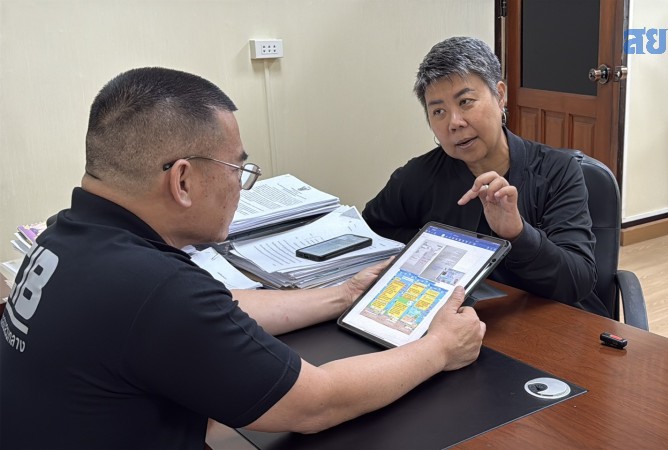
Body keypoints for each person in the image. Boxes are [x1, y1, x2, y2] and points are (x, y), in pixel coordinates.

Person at [0, 67, 485, 449]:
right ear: (182, 180)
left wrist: (343, 294)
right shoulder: (154, 289)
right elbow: (316, 404)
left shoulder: (67, 236)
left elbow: (216, 305)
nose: (241, 184)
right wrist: (441, 348)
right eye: (238, 168)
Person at [363, 36, 607, 317]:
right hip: (457, 321)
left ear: (500, 96)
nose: (454, 122)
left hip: (549, 322)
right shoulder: (418, 175)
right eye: (438, 111)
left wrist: (518, 233)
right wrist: (434, 246)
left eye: (465, 102)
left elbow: (577, 280)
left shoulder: (558, 170)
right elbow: (372, 231)